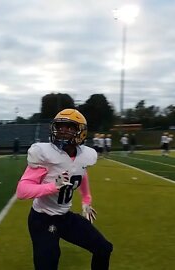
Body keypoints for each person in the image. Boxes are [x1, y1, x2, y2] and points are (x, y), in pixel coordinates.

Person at [16, 108, 113, 270]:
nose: (63, 130)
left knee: (104, 249)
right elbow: (22, 190)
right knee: (48, 263)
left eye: (69, 127)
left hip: (64, 217)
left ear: (80, 131)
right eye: (60, 126)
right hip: (43, 219)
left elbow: (81, 174)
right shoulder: (45, 154)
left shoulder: (84, 155)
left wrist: (86, 200)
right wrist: (53, 187)